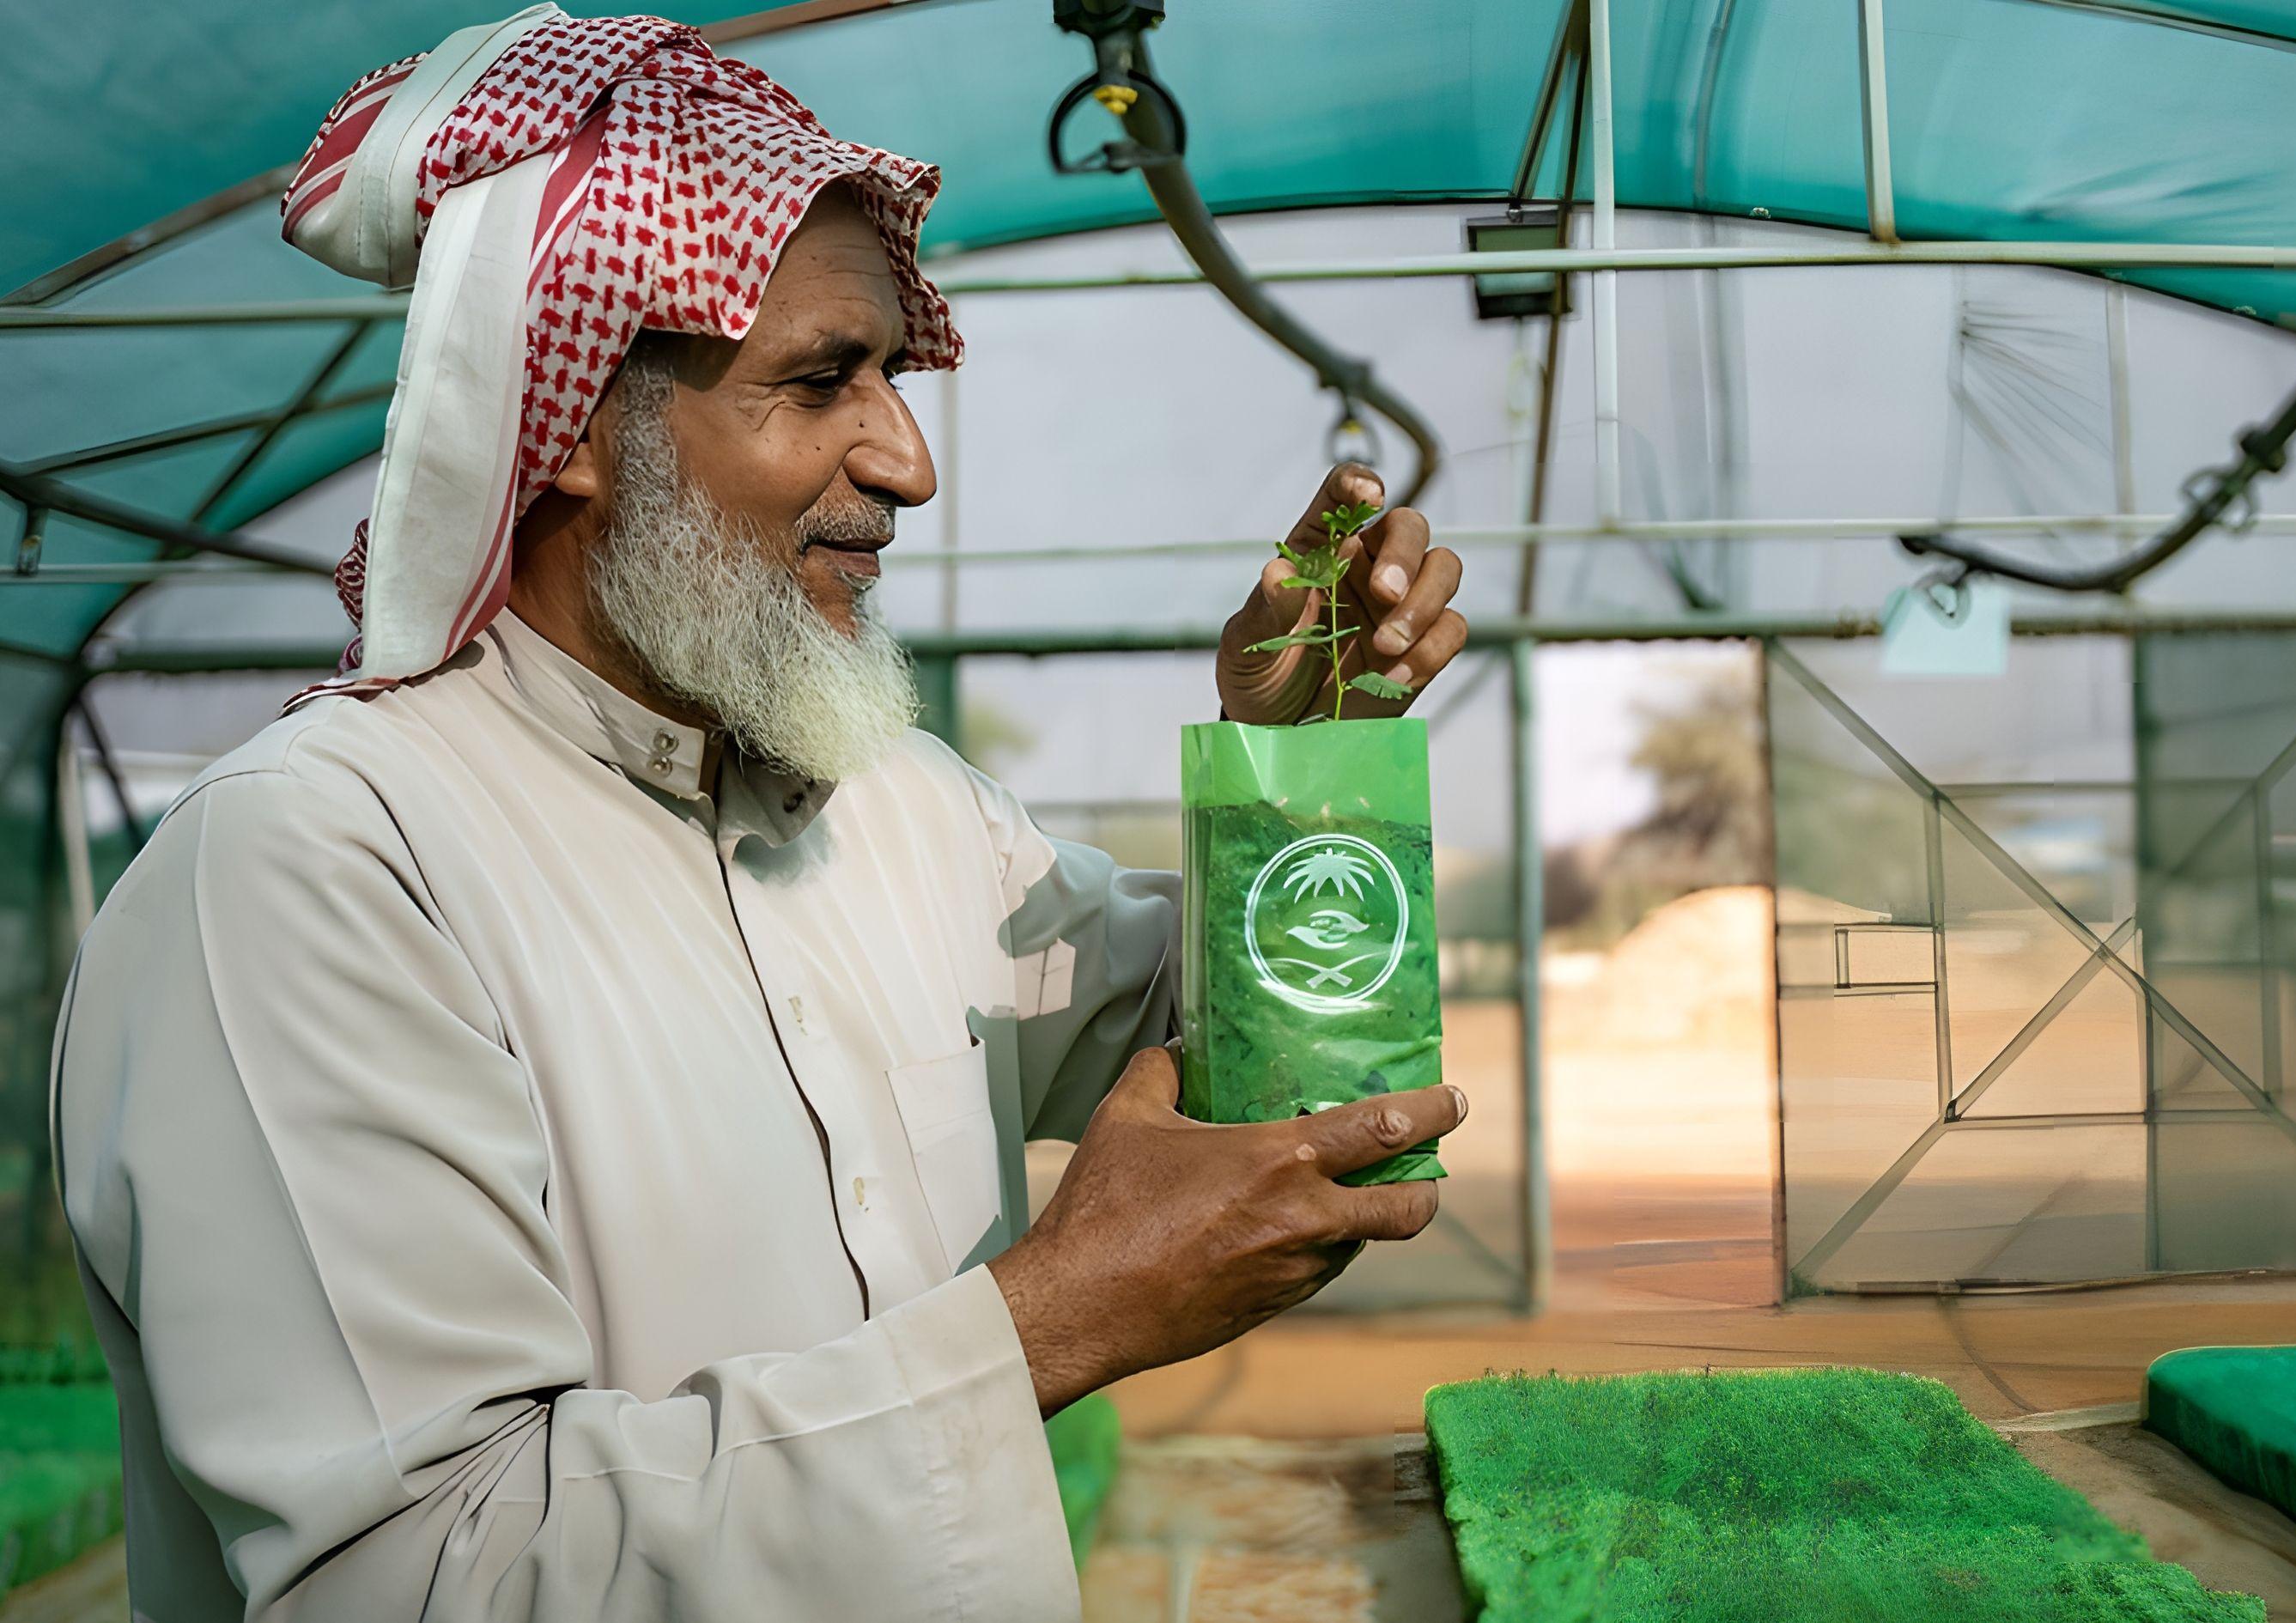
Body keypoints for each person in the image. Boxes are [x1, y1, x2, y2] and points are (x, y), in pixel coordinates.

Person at [48, 9, 1468, 1619]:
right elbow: (418, 1572)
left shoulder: (906, 806)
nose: (908, 458)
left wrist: (1298, 779)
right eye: (820, 382)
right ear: (570, 422)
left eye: (893, 376)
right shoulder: (313, 870)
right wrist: (1052, 1319)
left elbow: (1220, 1060)